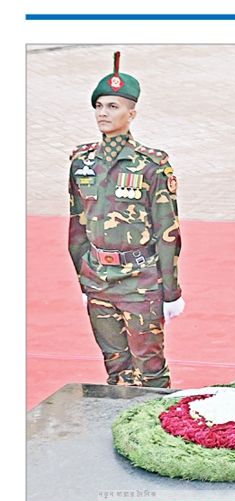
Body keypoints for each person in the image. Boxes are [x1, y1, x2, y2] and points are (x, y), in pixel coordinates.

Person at [68, 52, 184, 388]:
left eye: (113, 106)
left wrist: (171, 291)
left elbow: (167, 231)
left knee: (150, 372)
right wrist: (84, 279)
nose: (103, 113)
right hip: (98, 280)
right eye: (99, 106)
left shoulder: (151, 165)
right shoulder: (82, 162)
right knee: (116, 369)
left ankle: (150, 422)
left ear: (131, 114)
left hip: (139, 283)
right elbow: (77, 227)